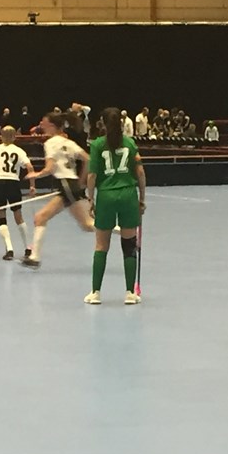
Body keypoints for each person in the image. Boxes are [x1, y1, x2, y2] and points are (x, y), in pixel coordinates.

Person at [84, 107, 146, 305]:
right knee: (129, 245)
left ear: (102, 123)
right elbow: (140, 172)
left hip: (106, 196)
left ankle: (95, 292)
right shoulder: (130, 143)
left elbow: (92, 175)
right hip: (128, 195)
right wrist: (142, 199)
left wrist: (90, 199)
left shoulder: (97, 145)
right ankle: (130, 293)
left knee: (101, 245)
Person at [21, 112, 94, 268]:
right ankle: (34, 258)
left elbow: (49, 168)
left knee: (88, 224)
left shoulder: (50, 143)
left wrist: (36, 174)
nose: (41, 124)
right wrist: (80, 181)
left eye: (44, 122)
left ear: (52, 126)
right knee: (41, 217)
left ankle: (126, 233)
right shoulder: (69, 142)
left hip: (66, 184)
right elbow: (88, 159)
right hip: (69, 185)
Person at [0, 125, 36, 260]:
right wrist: (32, 185)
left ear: (1, 136)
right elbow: (30, 167)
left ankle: (9, 249)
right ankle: (28, 248)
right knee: (18, 216)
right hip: (13, 183)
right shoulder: (19, 151)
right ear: (14, 137)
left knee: (1, 217)